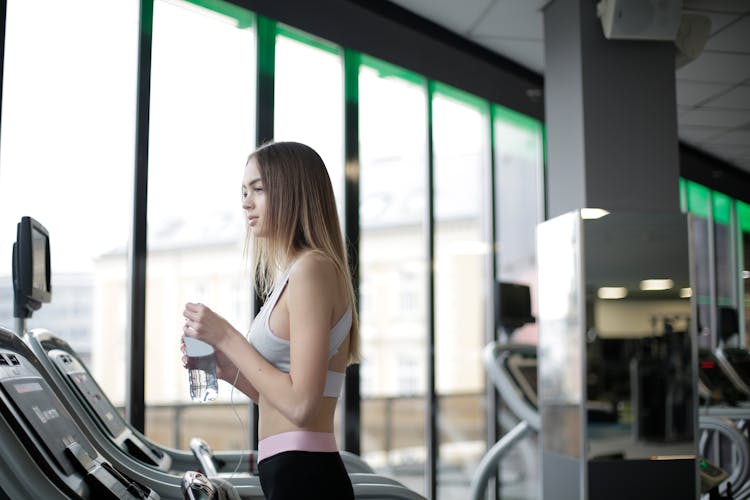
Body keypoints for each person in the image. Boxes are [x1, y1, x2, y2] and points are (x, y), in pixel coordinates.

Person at [181, 141, 359, 499]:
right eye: (244, 192)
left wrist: (227, 336)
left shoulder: (312, 269)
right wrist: (225, 368)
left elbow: (301, 406)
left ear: (293, 192)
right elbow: (277, 398)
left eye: (258, 189)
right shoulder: (296, 273)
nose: (246, 202)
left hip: (306, 474)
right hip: (290, 471)